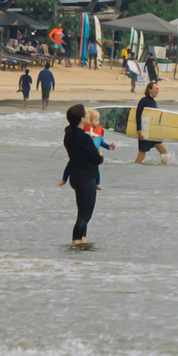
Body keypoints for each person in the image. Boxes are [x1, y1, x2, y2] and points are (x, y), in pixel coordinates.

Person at [59, 101, 104, 248]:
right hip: (86, 178)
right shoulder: (83, 137)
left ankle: (81, 244)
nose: (88, 114)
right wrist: (100, 154)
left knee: (82, 212)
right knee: (85, 215)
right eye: (86, 113)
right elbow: (97, 159)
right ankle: (76, 245)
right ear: (82, 119)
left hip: (76, 176)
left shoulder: (69, 135)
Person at [132, 79, 172, 164]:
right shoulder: (144, 101)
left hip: (153, 132)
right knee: (142, 155)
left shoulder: (153, 102)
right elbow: (138, 115)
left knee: (164, 152)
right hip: (145, 131)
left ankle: (162, 168)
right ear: (150, 90)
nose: (158, 91)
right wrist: (139, 131)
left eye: (158, 89)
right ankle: (133, 168)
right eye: (156, 89)